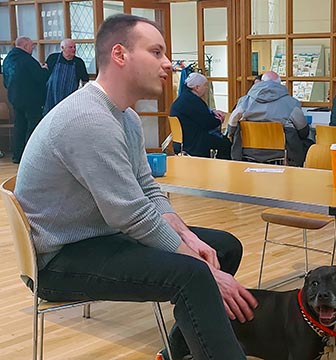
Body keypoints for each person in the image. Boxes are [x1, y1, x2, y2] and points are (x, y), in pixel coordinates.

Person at [14, 14, 256, 360]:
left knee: (222, 248)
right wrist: (197, 263)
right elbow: (129, 213)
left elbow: (147, 189)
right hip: (59, 259)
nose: (169, 64)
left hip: (98, 235)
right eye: (156, 52)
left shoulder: (123, 115)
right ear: (120, 55)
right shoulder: (90, 118)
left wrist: (191, 240)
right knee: (194, 274)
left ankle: (177, 351)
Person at [227, 71, 313, 166]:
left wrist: (231, 132)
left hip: (249, 151)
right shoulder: (291, 103)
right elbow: (303, 131)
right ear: (279, 84)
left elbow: (232, 123)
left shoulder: (244, 101)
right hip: (283, 152)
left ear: (262, 82)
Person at [2, 36, 49, 164]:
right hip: (31, 99)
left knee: (19, 126)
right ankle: (30, 156)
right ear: (25, 46)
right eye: (32, 46)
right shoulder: (27, 60)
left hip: (14, 98)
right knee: (33, 126)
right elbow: (40, 77)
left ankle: (17, 155)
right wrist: (44, 69)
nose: (33, 48)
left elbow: (6, 82)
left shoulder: (7, 60)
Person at [170, 72, 232, 159]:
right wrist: (219, 119)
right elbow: (209, 123)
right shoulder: (193, 101)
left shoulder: (184, 98)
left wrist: (212, 112)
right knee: (226, 144)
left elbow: (200, 115)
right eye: (205, 85)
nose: (206, 88)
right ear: (197, 87)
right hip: (194, 143)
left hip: (182, 141)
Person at [43, 38, 90, 114]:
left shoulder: (79, 62)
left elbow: (85, 81)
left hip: (70, 100)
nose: (74, 49)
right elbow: (45, 75)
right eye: (70, 47)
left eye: (74, 47)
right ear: (62, 48)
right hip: (52, 98)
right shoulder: (53, 58)